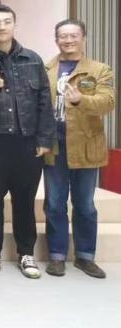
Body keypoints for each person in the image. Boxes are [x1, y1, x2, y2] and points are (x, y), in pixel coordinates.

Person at [0, 4, 55, 279]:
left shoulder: (32, 59)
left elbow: (44, 102)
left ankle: (26, 252)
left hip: (27, 142)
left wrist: (44, 139)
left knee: (25, 200)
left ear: (14, 25)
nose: (2, 27)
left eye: (7, 21)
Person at [43, 19, 115, 279]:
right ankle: (57, 255)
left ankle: (85, 256)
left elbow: (108, 102)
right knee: (54, 203)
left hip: (86, 145)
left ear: (84, 38)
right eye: (63, 36)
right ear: (56, 40)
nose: (68, 40)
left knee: (84, 205)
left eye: (74, 35)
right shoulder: (46, 69)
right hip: (54, 146)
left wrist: (80, 100)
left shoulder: (99, 70)